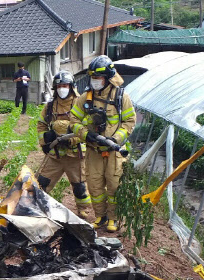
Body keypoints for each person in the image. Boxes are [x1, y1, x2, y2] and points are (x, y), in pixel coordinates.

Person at [70, 55, 136, 232]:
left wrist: (116, 140)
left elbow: (129, 122)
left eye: (97, 78)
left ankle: (113, 218)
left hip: (114, 151)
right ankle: (100, 217)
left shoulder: (121, 97)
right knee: (95, 185)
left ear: (107, 78)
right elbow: (73, 119)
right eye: (92, 78)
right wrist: (85, 135)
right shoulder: (86, 97)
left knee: (113, 185)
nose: (95, 81)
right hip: (93, 150)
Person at [36, 70, 91, 218]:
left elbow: (87, 128)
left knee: (79, 186)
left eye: (65, 85)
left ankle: (83, 209)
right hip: (56, 155)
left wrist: (72, 139)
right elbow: (41, 124)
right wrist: (45, 142)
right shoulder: (50, 106)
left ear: (71, 86)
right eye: (59, 86)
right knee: (42, 183)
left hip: (75, 155)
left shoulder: (81, 104)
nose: (62, 89)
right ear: (55, 88)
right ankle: (36, 206)